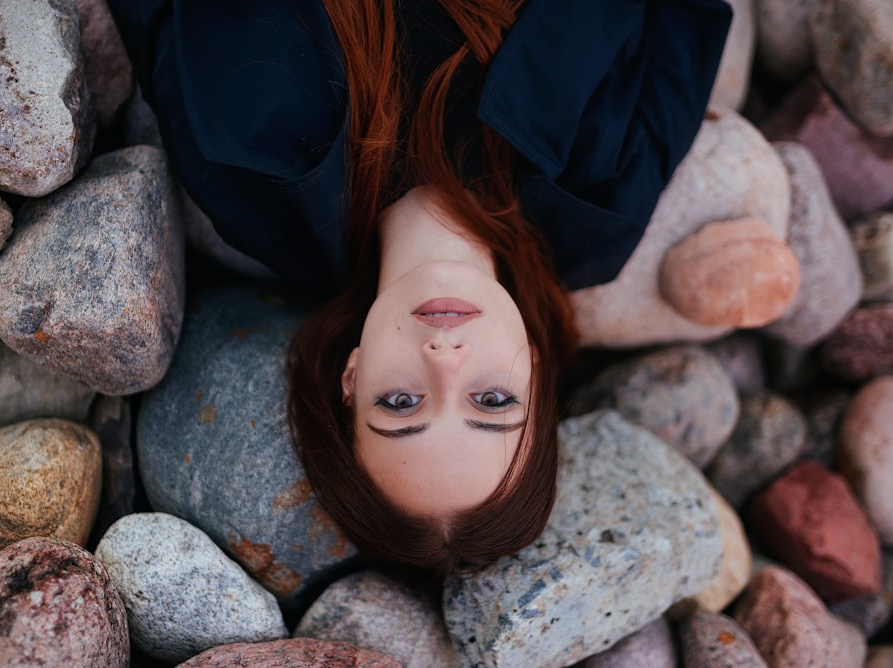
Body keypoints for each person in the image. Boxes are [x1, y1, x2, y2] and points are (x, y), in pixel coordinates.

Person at [108, 0, 732, 577]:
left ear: (352, 379)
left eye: (402, 404)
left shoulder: (248, 180)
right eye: (491, 401)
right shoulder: (605, 201)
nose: (445, 359)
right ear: (535, 376)